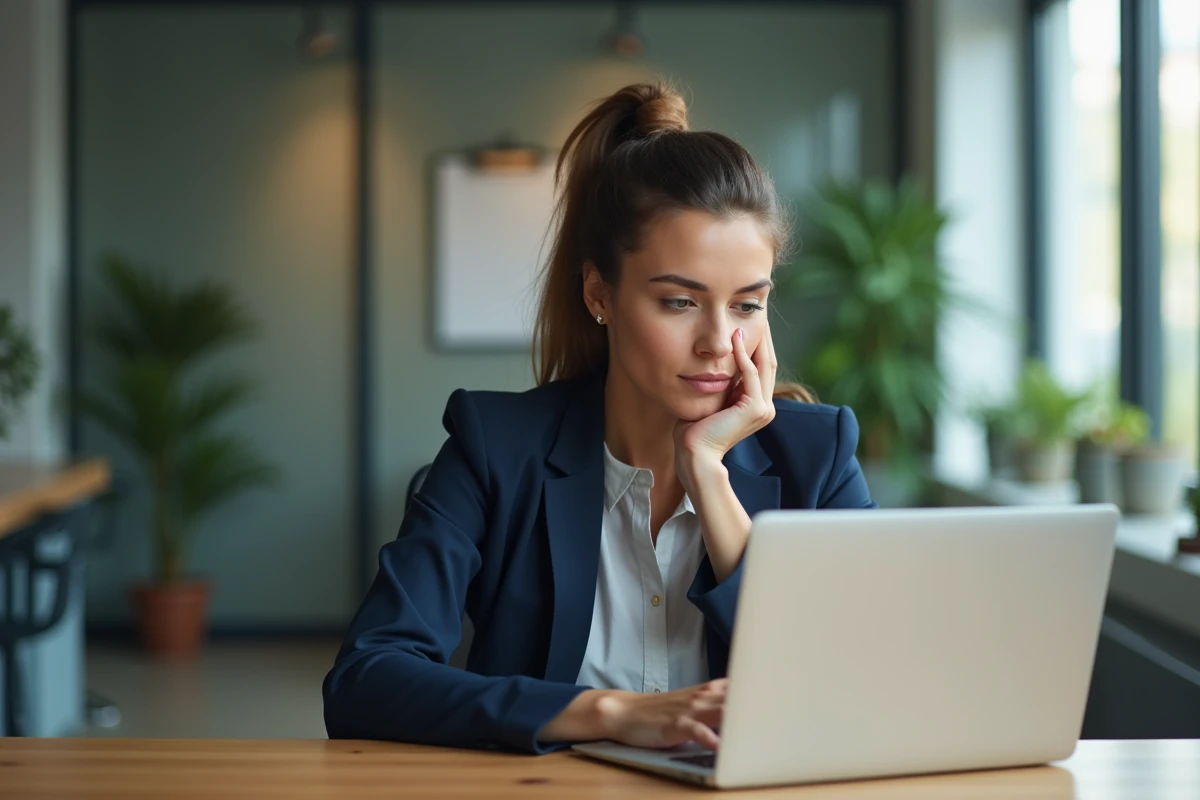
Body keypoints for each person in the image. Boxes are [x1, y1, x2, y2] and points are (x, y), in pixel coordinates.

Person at [323, 81, 875, 755]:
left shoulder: (817, 457)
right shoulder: (496, 448)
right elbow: (366, 679)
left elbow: (860, 685)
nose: (716, 342)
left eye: (747, 305)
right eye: (679, 302)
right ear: (598, 294)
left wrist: (710, 476)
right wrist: (611, 713)